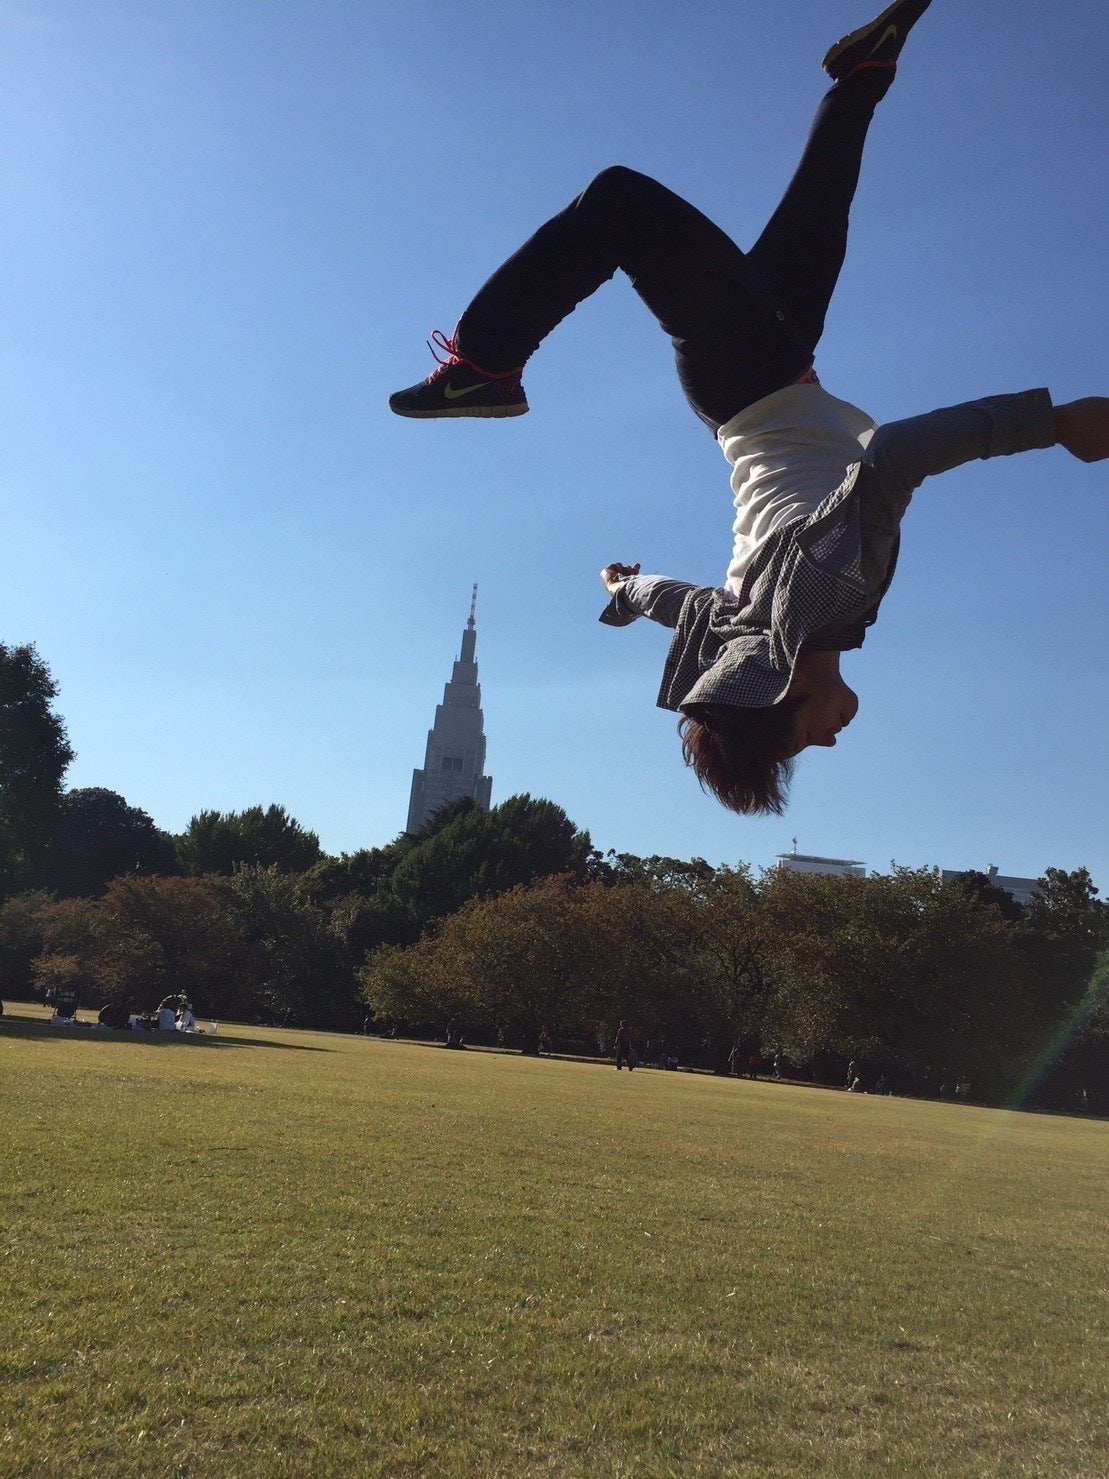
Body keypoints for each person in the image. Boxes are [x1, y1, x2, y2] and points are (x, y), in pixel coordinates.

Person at [390, 0, 1109, 815]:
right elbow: (678, 605)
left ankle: (484, 366)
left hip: (750, 371)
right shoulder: (750, 631)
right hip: (763, 381)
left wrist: (1050, 424)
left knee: (618, 202)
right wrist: (623, 589)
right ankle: (860, 76)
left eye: (800, 741)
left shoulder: (829, 596)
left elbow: (895, 458)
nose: (826, 742)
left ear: (779, 694)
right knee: (821, 209)